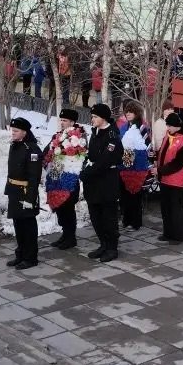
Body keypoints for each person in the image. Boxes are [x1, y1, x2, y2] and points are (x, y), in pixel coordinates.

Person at [81, 104, 124, 263]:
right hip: (94, 182)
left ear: (103, 118)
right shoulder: (95, 132)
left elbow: (105, 161)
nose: (92, 119)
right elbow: (90, 156)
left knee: (108, 217)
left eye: (95, 117)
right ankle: (103, 244)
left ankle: (112, 248)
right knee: (95, 215)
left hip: (106, 181)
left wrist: (87, 173)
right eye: (92, 117)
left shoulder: (112, 136)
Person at [42, 109, 87, 250]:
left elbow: (81, 157)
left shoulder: (80, 137)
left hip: (69, 179)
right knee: (60, 208)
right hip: (56, 178)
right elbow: (47, 151)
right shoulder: (57, 135)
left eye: (65, 120)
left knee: (67, 208)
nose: (62, 123)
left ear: (72, 122)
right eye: (61, 120)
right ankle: (65, 234)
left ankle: (71, 237)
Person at [5, 117, 43, 270]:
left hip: (26, 191)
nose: (12, 133)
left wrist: (30, 198)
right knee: (18, 225)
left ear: (24, 132)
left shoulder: (32, 149)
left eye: (16, 131)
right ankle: (20, 253)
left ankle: (30, 257)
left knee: (28, 226)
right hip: (14, 191)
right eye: (12, 130)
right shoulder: (15, 145)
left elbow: (34, 176)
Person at [153, 113, 183, 243]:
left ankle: (178, 235)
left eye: (170, 125)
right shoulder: (168, 136)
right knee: (165, 208)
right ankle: (168, 233)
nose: (167, 127)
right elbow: (162, 153)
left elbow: (178, 163)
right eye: (167, 125)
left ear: (177, 126)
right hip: (165, 178)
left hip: (176, 180)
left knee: (176, 209)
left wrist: (159, 170)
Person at [118, 101, 151, 230]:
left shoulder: (143, 128)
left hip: (138, 165)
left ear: (137, 113)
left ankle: (136, 222)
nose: (128, 114)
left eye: (131, 112)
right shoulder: (123, 127)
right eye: (127, 112)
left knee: (135, 195)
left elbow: (149, 146)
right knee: (125, 194)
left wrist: (150, 163)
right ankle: (126, 220)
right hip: (125, 164)